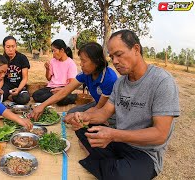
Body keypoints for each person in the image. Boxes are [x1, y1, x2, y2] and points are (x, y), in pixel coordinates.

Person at [64, 30, 180, 180]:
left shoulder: (162, 82)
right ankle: (107, 163)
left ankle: (104, 164)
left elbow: (160, 134)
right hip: (120, 142)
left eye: (119, 54)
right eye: (112, 57)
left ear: (136, 49)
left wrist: (113, 135)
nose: (115, 61)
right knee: (83, 132)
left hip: (145, 153)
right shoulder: (120, 83)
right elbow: (104, 113)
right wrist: (83, 116)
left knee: (119, 175)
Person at [31, 42, 117, 123]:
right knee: (71, 112)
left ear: (96, 62)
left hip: (108, 110)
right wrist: (42, 106)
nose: (81, 64)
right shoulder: (86, 74)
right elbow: (65, 91)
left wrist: (82, 116)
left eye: (84, 61)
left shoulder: (109, 78)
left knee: (79, 120)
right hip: (98, 104)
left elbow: (100, 108)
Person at [32, 39, 78, 106]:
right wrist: (47, 69)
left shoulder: (71, 63)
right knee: (36, 95)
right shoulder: (53, 61)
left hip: (64, 89)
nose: (53, 53)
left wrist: (60, 90)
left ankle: (66, 97)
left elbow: (71, 84)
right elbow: (48, 78)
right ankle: (57, 98)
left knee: (62, 99)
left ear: (62, 50)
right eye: (52, 51)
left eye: (54, 50)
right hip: (51, 88)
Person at [0, 36, 30, 105]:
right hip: (6, 86)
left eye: (13, 46)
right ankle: (10, 96)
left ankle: (11, 97)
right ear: (4, 47)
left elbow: (25, 78)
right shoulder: (2, 60)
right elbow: (1, 79)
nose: (11, 49)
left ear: (16, 46)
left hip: (20, 86)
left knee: (24, 98)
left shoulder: (22, 58)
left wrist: (18, 89)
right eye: (8, 47)